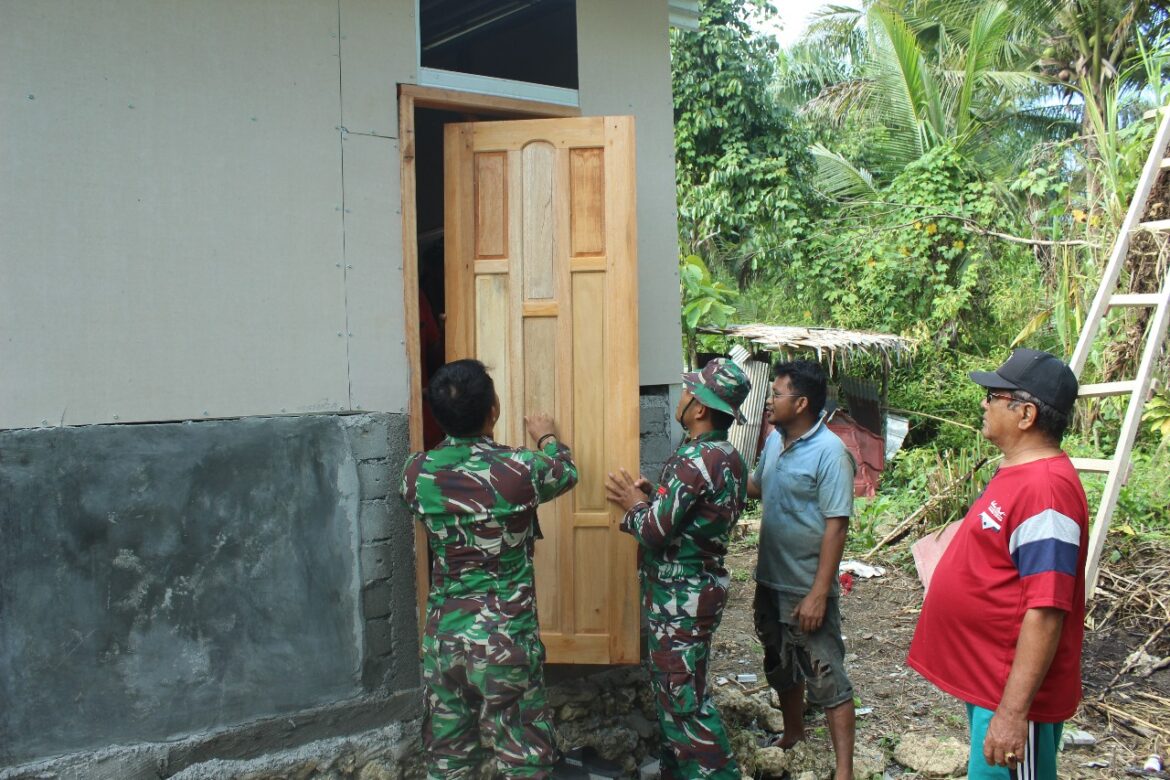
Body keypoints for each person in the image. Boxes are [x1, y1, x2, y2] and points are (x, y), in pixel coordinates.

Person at [908, 348, 1088, 780]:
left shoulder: (1047, 492)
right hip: (990, 683)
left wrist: (1012, 713)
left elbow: (1046, 609)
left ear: (1025, 414)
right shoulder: (1019, 472)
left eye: (994, 396)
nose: (984, 403)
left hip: (1011, 696)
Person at [399, 359, 578, 779]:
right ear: (493, 410)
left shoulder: (415, 473)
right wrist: (547, 437)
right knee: (524, 759)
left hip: (444, 642)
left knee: (449, 760)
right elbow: (567, 472)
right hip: (503, 640)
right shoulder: (520, 470)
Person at [605, 357, 751, 779]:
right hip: (695, 591)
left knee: (684, 705)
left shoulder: (693, 459)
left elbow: (654, 533)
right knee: (676, 695)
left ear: (699, 407)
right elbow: (697, 518)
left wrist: (634, 506)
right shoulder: (727, 456)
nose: (682, 395)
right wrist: (658, 498)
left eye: (689, 390)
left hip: (679, 600)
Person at [748, 360, 856, 780]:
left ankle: (844, 771)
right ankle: (792, 734)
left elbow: (837, 525)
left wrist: (818, 593)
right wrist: (716, 473)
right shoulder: (775, 441)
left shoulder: (830, 452)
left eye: (777, 394)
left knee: (826, 675)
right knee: (779, 664)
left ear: (802, 403)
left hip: (805, 586)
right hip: (770, 580)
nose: (769, 401)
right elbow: (757, 486)